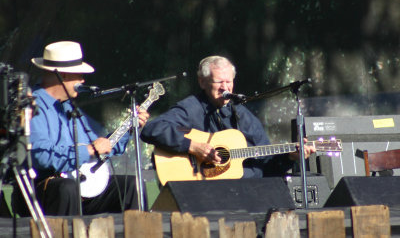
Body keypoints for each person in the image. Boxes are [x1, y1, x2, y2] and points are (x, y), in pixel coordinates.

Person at [13, 41, 150, 216]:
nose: (83, 81)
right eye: (79, 75)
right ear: (63, 75)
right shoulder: (31, 106)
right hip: (41, 189)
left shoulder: (70, 108)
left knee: (133, 186)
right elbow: (41, 157)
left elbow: (101, 147)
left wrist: (129, 128)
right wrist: (90, 150)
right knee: (67, 188)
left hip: (79, 187)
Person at [140, 55, 315, 179]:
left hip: (243, 196)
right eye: (219, 82)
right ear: (202, 82)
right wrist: (192, 146)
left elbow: (266, 166)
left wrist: (289, 158)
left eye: (229, 81)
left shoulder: (244, 117)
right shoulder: (191, 108)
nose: (225, 87)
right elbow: (151, 129)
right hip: (198, 193)